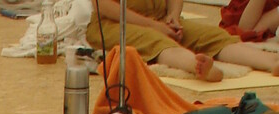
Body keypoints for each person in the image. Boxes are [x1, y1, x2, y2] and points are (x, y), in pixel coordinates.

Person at [88, 0, 279, 78]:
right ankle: (198, 67)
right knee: (158, 42)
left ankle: (271, 61)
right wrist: (153, 26)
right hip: (115, 23)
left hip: (161, 17)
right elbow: (102, 6)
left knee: (212, 36)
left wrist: (173, 16)